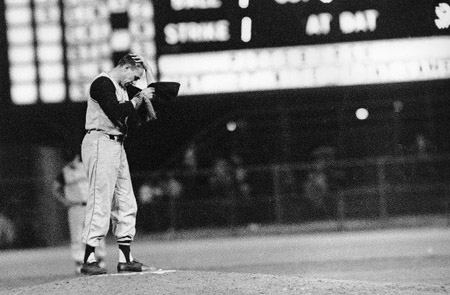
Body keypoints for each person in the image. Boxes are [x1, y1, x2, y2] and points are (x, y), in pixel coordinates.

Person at [80, 53, 157, 275]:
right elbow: (116, 112)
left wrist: (148, 70)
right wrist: (137, 99)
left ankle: (126, 258)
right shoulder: (102, 83)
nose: (134, 82)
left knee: (126, 200)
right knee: (100, 199)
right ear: (125, 67)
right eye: (135, 75)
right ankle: (89, 258)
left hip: (116, 144)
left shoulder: (123, 86)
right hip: (99, 141)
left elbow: (159, 95)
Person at [52, 151, 106, 274]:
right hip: (75, 207)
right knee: (77, 235)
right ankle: (79, 262)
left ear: (77, 157)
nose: (72, 162)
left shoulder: (87, 168)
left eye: (73, 159)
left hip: (91, 204)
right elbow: (55, 188)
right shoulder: (65, 172)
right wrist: (64, 201)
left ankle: (100, 260)